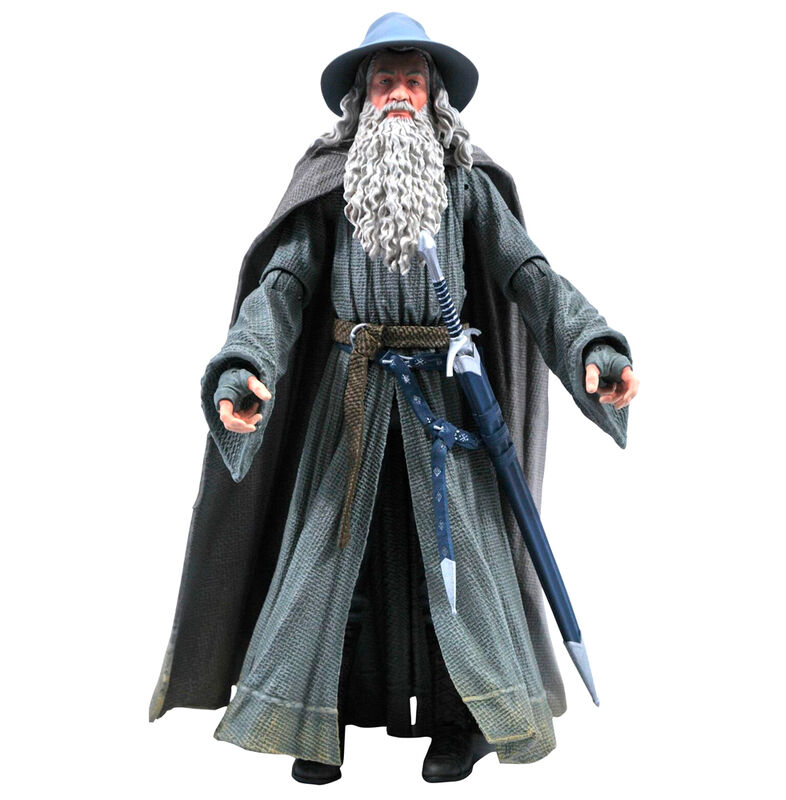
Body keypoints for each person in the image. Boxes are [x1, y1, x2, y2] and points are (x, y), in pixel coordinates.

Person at [150, 13, 638, 785]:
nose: (401, 94)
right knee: (331, 563)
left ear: (435, 95)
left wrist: (592, 348)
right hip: (350, 405)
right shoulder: (330, 182)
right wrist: (246, 364)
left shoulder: (466, 183)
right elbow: (282, 288)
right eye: (386, 82)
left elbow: (530, 277)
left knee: (455, 564)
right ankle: (316, 719)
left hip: (447, 409)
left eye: (414, 81)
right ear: (362, 99)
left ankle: (463, 723)